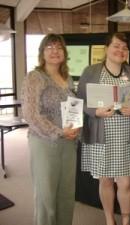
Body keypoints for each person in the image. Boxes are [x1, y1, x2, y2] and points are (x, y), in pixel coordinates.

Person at [77, 32, 130, 225]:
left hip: (126, 135)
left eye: (124, 48)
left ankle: (125, 221)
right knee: (105, 180)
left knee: (126, 182)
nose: (120, 51)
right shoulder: (90, 72)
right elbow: (78, 102)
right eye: (116, 46)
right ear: (107, 48)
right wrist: (94, 111)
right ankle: (109, 220)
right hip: (101, 135)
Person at [21, 34, 80, 225]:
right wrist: (59, 131)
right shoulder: (35, 77)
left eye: (59, 47)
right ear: (42, 53)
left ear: (64, 53)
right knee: (47, 197)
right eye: (49, 47)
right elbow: (31, 115)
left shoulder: (67, 78)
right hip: (45, 144)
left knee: (65, 195)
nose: (55, 51)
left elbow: (73, 108)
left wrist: (75, 127)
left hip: (68, 143)